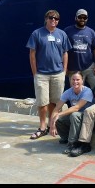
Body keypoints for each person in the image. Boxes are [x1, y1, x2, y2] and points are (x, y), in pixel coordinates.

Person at [26, 9, 71, 140]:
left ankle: (53, 125)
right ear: (46, 18)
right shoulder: (37, 34)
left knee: (55, 102)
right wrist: (35, 73)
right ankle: (42, 127)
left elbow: (65, 53)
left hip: (58, 74)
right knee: (42, 102)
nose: (53, 20)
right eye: (51, 18)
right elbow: (32, 54)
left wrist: (64, 70)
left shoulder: (62, 34)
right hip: (42, 74)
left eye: (56, 19)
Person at [49, 71, 95, 154]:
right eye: (73, 79)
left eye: (78, 79)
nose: (75, 82)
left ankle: (72, 143)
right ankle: (65, 137)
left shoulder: (87, 91)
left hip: (87, 119)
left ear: (82, 80)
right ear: (70, 80)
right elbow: (56, 108)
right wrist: (52, 124)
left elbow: (76, 108)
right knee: (59, 119)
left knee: (74, 115)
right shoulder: (68, 92)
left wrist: (59, 114)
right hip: (76, 118)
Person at [64, 8, 95, 90]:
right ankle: (77, 103)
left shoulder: (91, 32)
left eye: (84, 18)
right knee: (76, 92)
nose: (82, 19)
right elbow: (63, 50)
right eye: (80, 17)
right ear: (75, 18)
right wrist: (65, 67)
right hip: (73, 69)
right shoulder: (67, 31)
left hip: (89, 67)